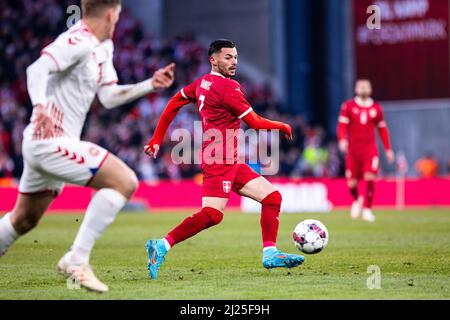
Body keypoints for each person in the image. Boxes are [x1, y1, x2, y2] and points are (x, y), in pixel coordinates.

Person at [0, 0, 175, 293]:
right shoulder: (78, 39)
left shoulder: (103, 48)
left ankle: (73, 258)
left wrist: (150, 85)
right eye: (117, 18)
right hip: (48, 141)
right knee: (124, 181)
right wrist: (41, 106)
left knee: (24, 219)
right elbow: (36, 70)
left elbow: (107, 97)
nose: (117, 24)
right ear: (109, 14)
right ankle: (77, 259)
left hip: (56, 143)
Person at [143, 39, 304, 280]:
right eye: (228, 57)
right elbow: (255, 123)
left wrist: (156, 139)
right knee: (212, 214)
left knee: (272, 197)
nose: (234, 62)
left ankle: (270, 252)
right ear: (213, 59)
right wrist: (281, 125)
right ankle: (162, 245)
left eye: (236, 57)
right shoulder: (228, 88)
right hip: (219, 160)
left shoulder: (201, 83)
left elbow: (173, 103)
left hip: (229, 159)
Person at [337, 79, 394, 222]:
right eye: (360, 86)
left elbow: (382, 129)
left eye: (366, 86)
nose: (363, 88)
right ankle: (357, 200)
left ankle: (368, 209)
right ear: (356, 89)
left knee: (369, 179)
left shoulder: (376, 108)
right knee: (352, 184)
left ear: (370, 89)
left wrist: (388, 149)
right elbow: (342, 126)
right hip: (353, 151)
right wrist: (342, 139)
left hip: (369, 150)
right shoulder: (348, 106)